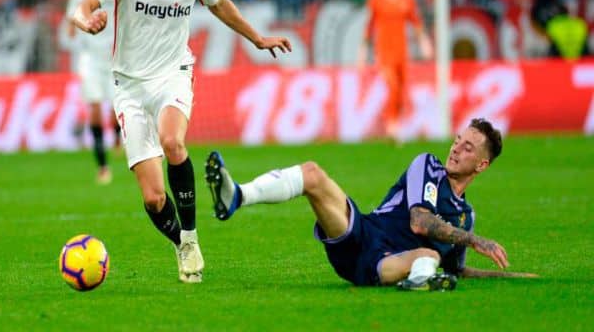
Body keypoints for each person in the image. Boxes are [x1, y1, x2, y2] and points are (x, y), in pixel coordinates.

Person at [71, 0, 291, 283]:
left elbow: (218, 3)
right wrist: (86, 21)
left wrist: (257, 39)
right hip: (129, 85)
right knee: (154, 199)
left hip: (173, 72)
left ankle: (190, 237)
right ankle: (179, 241)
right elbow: (83, 4)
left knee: (173, 143)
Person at [205, 118, 538, 290]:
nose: (455, 148)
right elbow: (420, 222)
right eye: (457, 141)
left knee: (431, 257)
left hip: (384, 264)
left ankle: (418, 282)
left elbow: (456, 271)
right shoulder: (428, 165)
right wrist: (476, 240)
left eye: (467, 147)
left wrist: (510, 277)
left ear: (481, 165)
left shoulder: (465, 216)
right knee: (312, 174)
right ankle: (237, 196)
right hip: (362, 235)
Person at [65, 0, 120, 185]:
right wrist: (76, 34)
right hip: (90, 58)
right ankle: (103, 166)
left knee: (118, 110)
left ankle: (119, 137)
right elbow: (71, 19)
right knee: (95, 110)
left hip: (117, 57)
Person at [359, 0, 433, 140]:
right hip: (383, 53)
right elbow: (369, 26)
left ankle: (393, 122)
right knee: (392, 86)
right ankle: (392, 126)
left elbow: (415, 21)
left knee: (400, 89)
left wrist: (424, 42)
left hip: (402, 52)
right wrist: (362, 51)